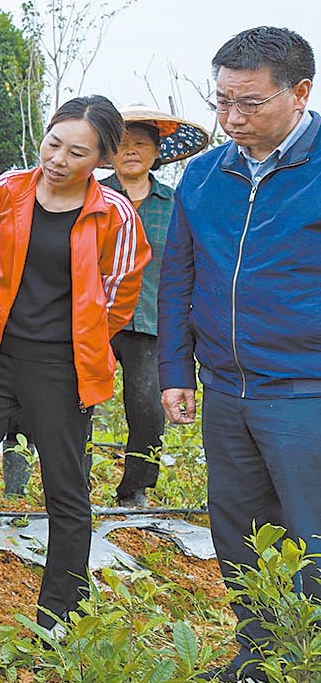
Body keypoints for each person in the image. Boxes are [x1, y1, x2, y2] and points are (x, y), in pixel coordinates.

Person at [0, 96, 149, 630]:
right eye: (53, 143)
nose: (57, 159)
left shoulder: (113, 213)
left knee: (66, 492)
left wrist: (86, 342)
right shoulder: (6, 190)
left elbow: (122, 292)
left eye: (77, 152)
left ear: (100, 159)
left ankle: (59, 613)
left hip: (63, 370)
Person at [159, 26, 321, 683]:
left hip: (304, 389)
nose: (229, 118)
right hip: (226, 389)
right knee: (239, 529)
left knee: (310, 534)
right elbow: (178, 275)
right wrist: (174, 371)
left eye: (247, 104)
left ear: (299, 93)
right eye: (220, 101)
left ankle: (307, 668)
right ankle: (257, 654)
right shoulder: (204, 173)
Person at [100, 105, 207, 508]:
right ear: (109, 153)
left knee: (146, 405)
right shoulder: (95, 196)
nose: (131, 152)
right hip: (96, 316)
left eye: (140, 145)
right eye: (123, 145)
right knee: (78, 400)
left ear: (156, 152)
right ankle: (72, 478)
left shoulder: (174, 203)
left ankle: (135, 489)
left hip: (149, 319)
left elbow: (188, 261)